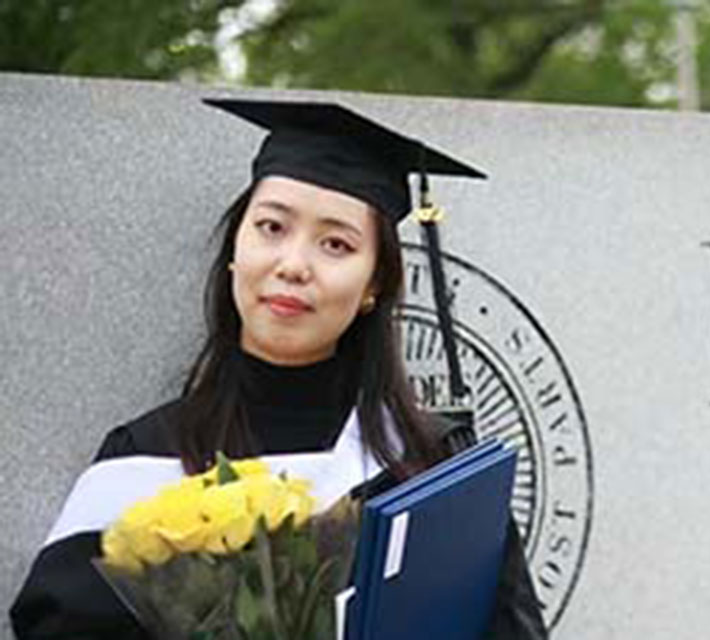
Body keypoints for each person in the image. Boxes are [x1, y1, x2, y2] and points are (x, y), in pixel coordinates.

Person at [9, 98, 548, 640]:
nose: (293, 264)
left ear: (373, 286)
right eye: (271, 227)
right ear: (234, 251)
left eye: (336, 244)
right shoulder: (143, 459)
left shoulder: (431, 468)